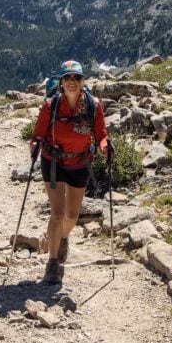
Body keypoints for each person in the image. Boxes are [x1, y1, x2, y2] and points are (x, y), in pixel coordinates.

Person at [29, 60, 109, 284]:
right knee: (56, 213)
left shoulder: (93, 105)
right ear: (61, 82)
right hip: (53, 163)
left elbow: (101, 134)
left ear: (83, 81)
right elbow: (37, 135)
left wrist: (105, 147)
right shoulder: (50, 106)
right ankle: (52, 262)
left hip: (80, 163)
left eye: (76, 78)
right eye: (67, 78)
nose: (72, 82)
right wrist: (35, 145)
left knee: (72, 215)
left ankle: (62, 237)